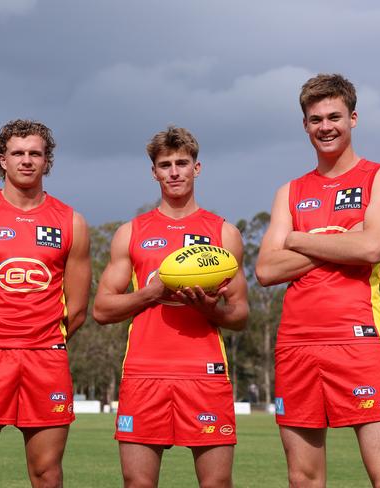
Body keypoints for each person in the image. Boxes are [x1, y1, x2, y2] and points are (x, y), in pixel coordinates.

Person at [256, 73, 380, 487]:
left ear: (353, 118)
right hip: (296, 346)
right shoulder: (290, 191)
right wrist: (339, 239)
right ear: (305, 125)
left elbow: (371, 248)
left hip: (359, 341)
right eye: (315, 118)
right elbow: (267, 269)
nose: (326, 126)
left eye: (334, 116)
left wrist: (299, 238)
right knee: (303, 478)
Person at [93, 126, 248, 488]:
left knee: (216, 484)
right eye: (165, 165)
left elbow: (240, 314)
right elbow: (102, 309)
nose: (174, 172)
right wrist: (152, 293)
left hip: (204, 374)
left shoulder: (223, 233)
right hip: (144, 372)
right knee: (138, 483)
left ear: (197, 168)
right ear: (154, 172)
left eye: (182, 163)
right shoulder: (131, 232)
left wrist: (209, 309)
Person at [0, 119, 91, 488]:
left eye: (35, 154)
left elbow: (77, 308)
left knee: (47, 473)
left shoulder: (71, 221)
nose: (26, 161)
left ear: (47, 162)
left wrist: (44, 341)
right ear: (2, 161)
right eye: (17, 153)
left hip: (46, 359)